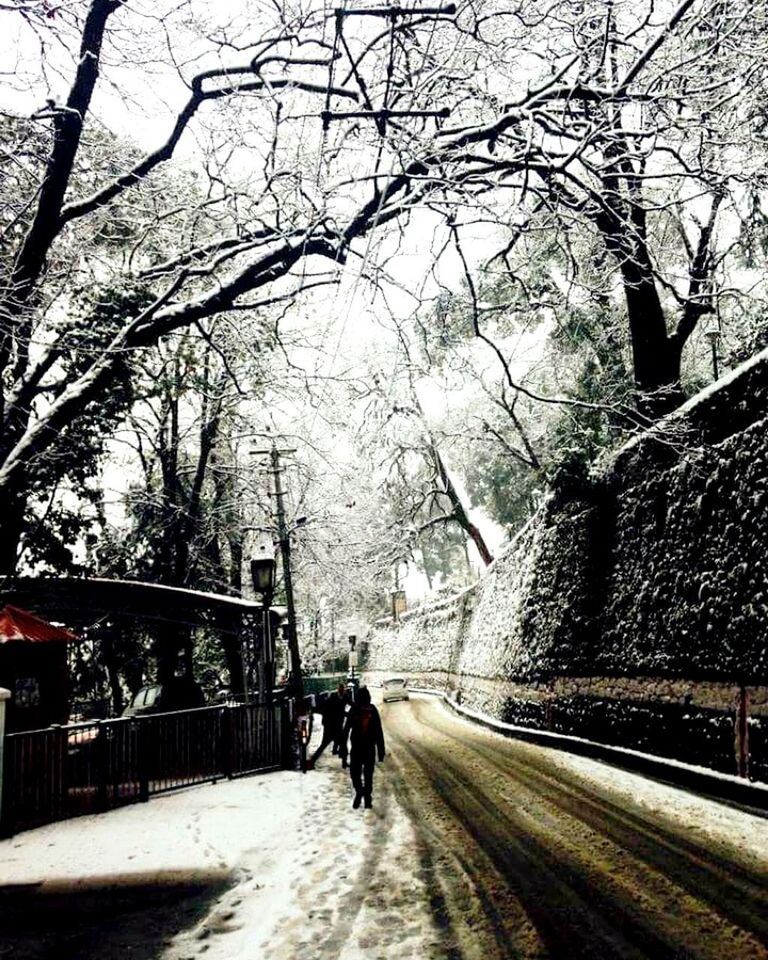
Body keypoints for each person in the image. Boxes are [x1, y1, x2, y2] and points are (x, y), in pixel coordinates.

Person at [342, 686, 385, 809]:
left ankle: (360, 792)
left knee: (355, 773)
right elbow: (379, 732)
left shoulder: (354, 709)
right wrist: (381, 751)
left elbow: (346, 729)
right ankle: (367, 797)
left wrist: (343, 747)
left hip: (357, 748)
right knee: (368, 774)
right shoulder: (372, 710)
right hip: (369, 748)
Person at [309, 682, 348, 769]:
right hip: (330, 726)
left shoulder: (345, 697)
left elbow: (350, 705)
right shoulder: (332, 698)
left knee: (343, 744)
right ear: (338, 690)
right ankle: (311, 762)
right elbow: (327, 709)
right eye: (341, 690)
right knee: (324, 744)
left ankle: (344, 763)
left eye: (343, 690)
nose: (342, 691)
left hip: (338, 726)